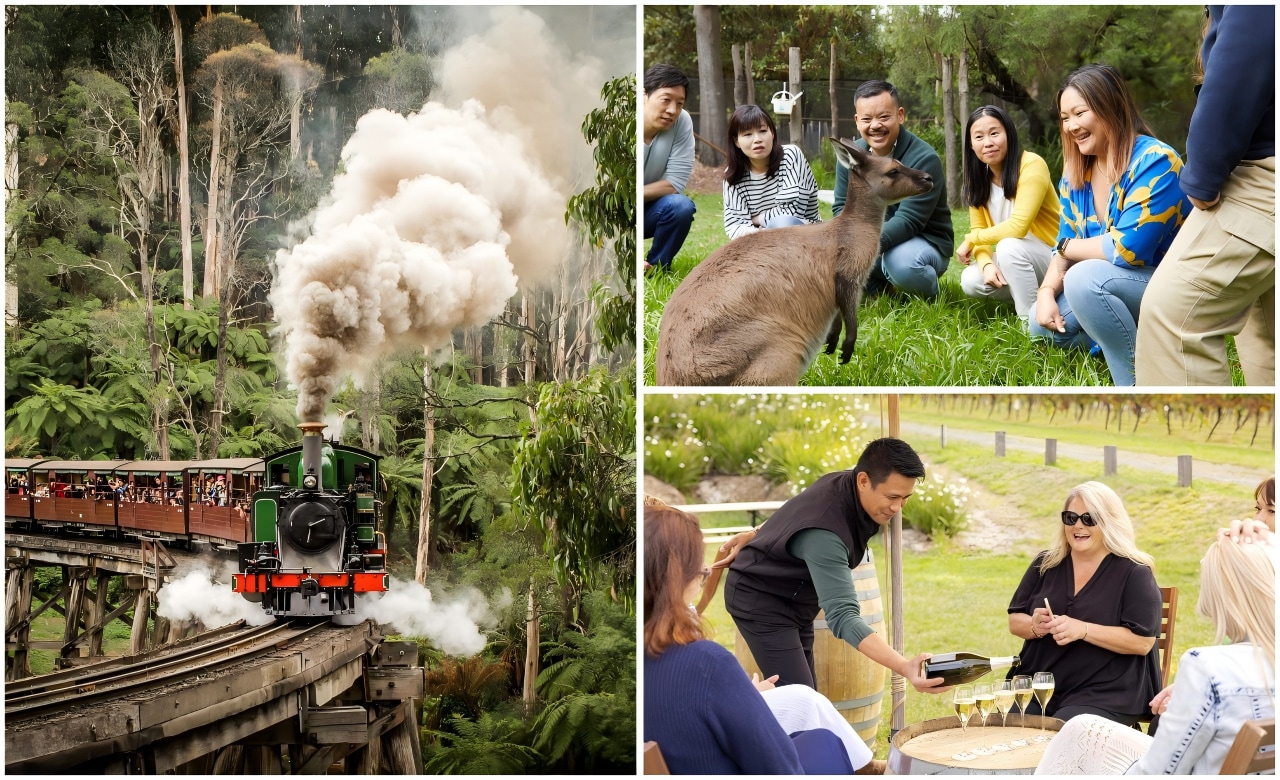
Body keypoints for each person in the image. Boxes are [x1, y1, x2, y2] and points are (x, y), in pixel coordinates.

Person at [642, 502, 873, 775]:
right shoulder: (708, 664)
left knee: (804, 699)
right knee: (824, 742)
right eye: (699, 563)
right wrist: (742, 699)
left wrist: (742, 696)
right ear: (678, 575)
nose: (705, 568)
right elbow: (778, 765)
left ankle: (866, 766)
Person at [718, 438, 948, 697]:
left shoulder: (846, 482)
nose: (897, 507)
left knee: (806, 695)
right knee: (801, 700)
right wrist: (905, 667)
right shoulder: (825, 535)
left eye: (906, 498)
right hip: (760, 600)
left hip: (795, 599)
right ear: (863, 481)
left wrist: (758, 532)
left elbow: (795, 512)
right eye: (892, 497)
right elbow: (843, 617)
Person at [1034, 534, 1275, 775]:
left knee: (1080, 738)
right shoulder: (1267, 660)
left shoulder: (1204, 667)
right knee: (1081, 728)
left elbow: (1157, 772)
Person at [1135, 6, 1275, 387]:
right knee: (1266, 334)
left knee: (1172, 318)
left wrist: (1203, 174)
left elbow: (1245, 58)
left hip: (1260, 171)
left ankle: (1192, 447)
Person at [1032, 64, 1190, 386]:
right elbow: (1064, 240)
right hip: (1113, 285)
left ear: (1110, 107)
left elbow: (1126, 251)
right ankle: (1113, 333)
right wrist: (1046, 292)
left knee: (1083, 279)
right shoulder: (1075, 175)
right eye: (1064, 118)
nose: (1071, 126)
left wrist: (1068, 249)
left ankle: (1139, 382)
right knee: (1040, 327)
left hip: (1169, 285)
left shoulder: (1156, 161)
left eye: (1080, 113)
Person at [1007, 481, 1162, 726]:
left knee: (1064, 732)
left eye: (1089, 519)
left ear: (1109, 522)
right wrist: (1037, 626)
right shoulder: (1046, 563)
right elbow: (1015, 621)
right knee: (1004, 724)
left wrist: (1083, 629)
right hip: (1042, 684)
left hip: (1106, 691)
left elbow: (1142, 642)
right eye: (1071, 518)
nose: (1078, 525)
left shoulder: (1134, 573)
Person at [832, 81, 953, 298]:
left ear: (900, 115)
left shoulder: (924, 158)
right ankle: (880, 289)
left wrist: (858, 247)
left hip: (922, 243)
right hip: (874, 242)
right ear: (857, 121)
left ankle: (929, 294)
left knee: (900, 263)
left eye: (884, 117)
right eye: (867, 119)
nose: (875, 125)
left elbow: (909, 221)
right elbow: (842, 207)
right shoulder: (852, 156)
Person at [956, 105, 1061, 323]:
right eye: (979, 136)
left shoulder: (1031, 164)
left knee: (1008, 246)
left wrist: (971, 240)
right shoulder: (977, 180)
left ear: (1008, 134)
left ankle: (1031, 324)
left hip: (1055, 258)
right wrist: (986, 264)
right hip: (1018, 260)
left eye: (994, 133)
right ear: (971, 144)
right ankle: (1044, 300)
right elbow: (979, 229)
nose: (988, 142)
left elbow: (1018, 226)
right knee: (970, 280)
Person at [722, 104, 820, 239]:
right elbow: (735, 225)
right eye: (747, 134)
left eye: (762, 131)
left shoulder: (790, 156)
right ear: (736, 141)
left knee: (783, 223)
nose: (757, 139)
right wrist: (761, 234)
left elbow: (793, 211)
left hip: (805, 233)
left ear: (772, 133)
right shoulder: (733, 174)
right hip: (760, 241)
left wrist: (756, 219)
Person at [642, 63, 696, 273]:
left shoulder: (682, 122)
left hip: (651, 211)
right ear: (644, 95)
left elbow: (674, 184)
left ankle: (656, 267)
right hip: (618, 212)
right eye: (665, 100)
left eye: (679, 103)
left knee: (680, 206)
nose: (672, 110)